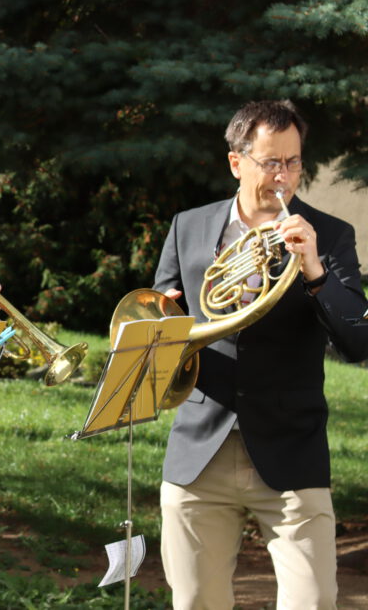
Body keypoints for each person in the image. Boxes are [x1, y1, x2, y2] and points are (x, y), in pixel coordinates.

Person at [152, 99, 368, 609]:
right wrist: (165, 329)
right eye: (271, 162)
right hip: (199, 454)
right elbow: (158, 321)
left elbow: (358, 343)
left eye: (293, 162)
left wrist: (314, 270)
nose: (284, 177)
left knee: (313, 602)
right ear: (236, 163)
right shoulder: (189, 227)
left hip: (292, 453)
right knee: (197, 603)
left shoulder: (330, 235)